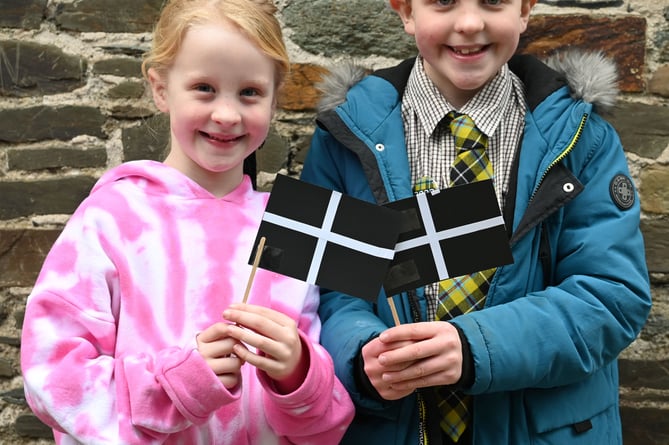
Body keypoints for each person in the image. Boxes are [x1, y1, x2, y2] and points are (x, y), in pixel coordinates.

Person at [300, 0, 652, 443]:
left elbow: (610, 294)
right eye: (443, 1)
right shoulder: (344, 135)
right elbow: (328, 290)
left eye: (493, 1)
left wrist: (474, 346)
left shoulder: (583, 136)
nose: (469, 23)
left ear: (525, 9)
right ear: (405, 11)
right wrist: (360, 354)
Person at [20, 0, 354, 443]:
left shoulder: (293, 226)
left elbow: (326, 425)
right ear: (161, 89)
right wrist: (177, 385)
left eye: (250, 92)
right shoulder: (111, 218)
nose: (227, 114)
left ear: (275, 99)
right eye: (204, 88)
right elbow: (52, 375)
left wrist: (299, 374)